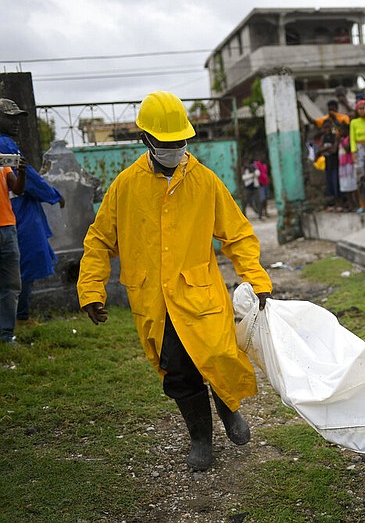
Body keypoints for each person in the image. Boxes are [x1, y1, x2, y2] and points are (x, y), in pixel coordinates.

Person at [77, 90, 273, 471]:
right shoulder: (125, 186)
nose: (175, 147)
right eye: (166, 142)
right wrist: (91, 289)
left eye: (180, 141)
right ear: (145, 140)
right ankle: (200, 438)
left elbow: (238, 234)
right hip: (154, 300)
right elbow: (100, 240)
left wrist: (256, 278)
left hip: (200, 294)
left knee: (217, 356)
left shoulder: (205, 181)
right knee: (179, 372)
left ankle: (229, 408)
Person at [2, 122, 65, 325]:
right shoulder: (5, 144)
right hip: (17, 214)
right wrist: (53, 194)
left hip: (14, 212)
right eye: (11, 118)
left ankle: (19, 317)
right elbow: (27, 181)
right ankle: (20, 316)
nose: (18, 124)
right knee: (25, 263)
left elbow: (20, 179)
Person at [0, 99, 27, 343]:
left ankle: (6, 335)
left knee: (11, 285)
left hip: (7, 227)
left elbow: (16, 189)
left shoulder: (2, 159)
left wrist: (23, 173)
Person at [349, 100, 365, 213]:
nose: (362, 111)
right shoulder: (354, 122)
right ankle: (362, 204)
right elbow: (352, 138)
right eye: (360, 108)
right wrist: (353, 153)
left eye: (364, 108)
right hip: (359, 149)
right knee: (360, 178)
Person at [319, 118, 341, 210]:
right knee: (330, 185)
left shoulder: (335, 136)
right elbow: (319, 149)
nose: (326, 130)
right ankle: (332, 204)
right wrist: (327, 149)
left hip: (336, 163)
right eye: (325, 128)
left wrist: (325, 149)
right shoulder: (324, 137)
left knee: (336, 184)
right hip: (328, 164)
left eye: (328, 127)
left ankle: (339, 203)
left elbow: (334, 149)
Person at [337, 122, 359, 212]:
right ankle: (350, 204)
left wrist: (341, 140)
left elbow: (348, 149)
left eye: (341, 130)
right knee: (346, 186)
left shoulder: (349, 138)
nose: (340, 132)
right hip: (343, 165)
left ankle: (356, 204)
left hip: (349, 164)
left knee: (353, 185)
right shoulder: (341, 139)